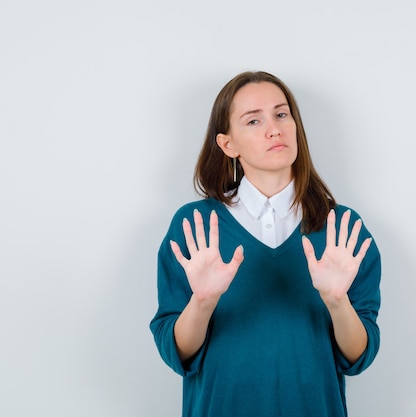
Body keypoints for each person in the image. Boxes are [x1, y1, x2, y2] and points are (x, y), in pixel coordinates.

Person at [150, 70, 382, 417]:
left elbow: (358, 357)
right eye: (254, 120)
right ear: (228, 144)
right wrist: (202, 301)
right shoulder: (196, 227)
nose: (274, 128)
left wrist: (337, 302)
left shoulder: (342, 229)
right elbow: (177, 353)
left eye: (281, 114)